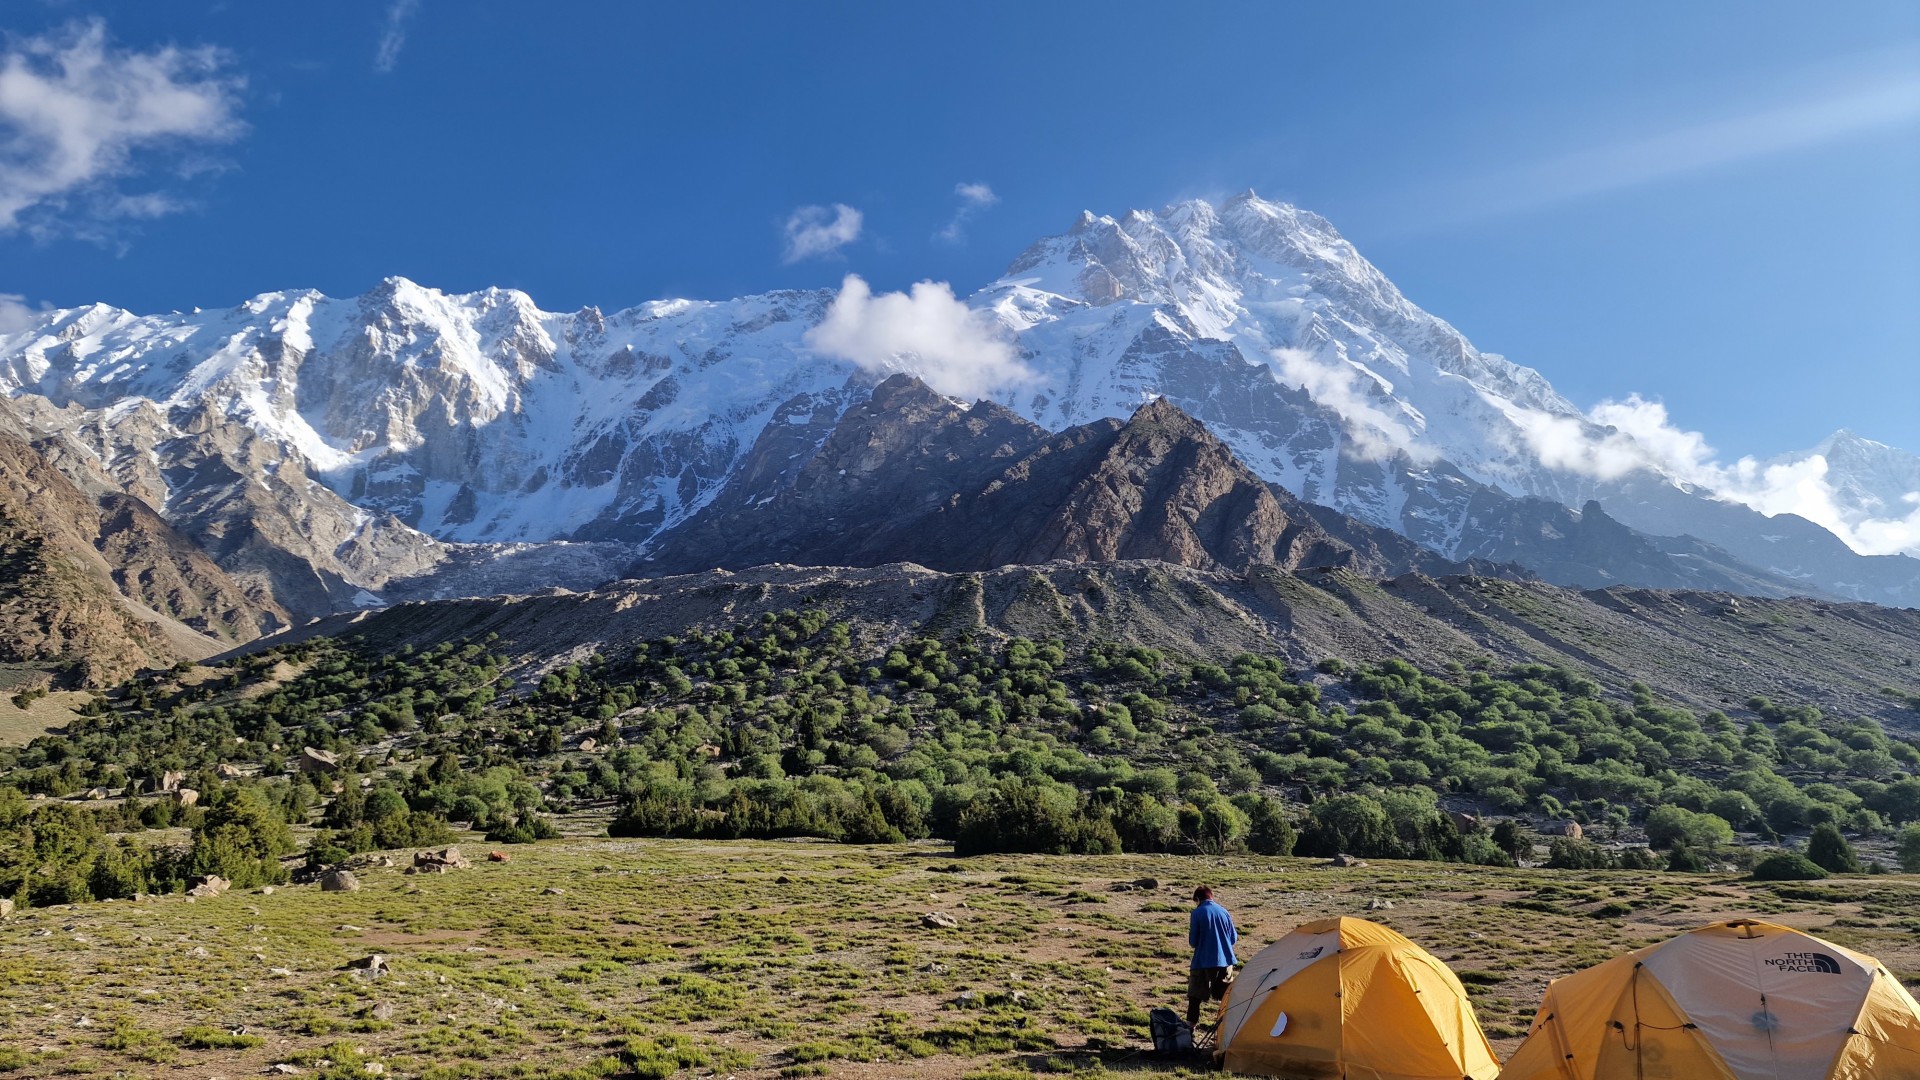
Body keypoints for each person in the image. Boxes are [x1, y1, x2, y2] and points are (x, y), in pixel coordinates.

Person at [1186, 885, 1238, 1028]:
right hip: (1226, 961)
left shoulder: (1197, 913)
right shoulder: (1224, 911)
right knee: (1226, 998)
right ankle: (1229, 1029)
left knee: (1195, 998)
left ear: (1197, 899)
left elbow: (1193, 942)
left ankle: (1189, 1031)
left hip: (1203, 962)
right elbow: (1233, 938)